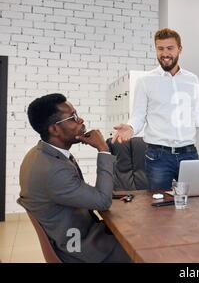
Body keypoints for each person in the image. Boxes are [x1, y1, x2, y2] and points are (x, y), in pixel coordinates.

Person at [112, 28, 199, 190]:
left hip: (189, 154)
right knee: (160, 206)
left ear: (180, 49)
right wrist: (131, 128)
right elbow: (138, 116)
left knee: (195, 203)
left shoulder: (192, 80)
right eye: (160, 48)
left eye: (170, 48)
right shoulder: (146, 81)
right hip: (158, 156)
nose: (165, 53)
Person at [17, 94, 130, 262]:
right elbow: (103, 202)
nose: (81, 120)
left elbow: (74, 191)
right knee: (145, 247)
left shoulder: (40, 154)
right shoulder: (53, 170)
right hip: (80, 247)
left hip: (78, 233)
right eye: (73, 118)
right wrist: (103, 149)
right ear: (54, 129)